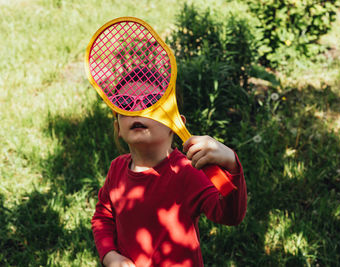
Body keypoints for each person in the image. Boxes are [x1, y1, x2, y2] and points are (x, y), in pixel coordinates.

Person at [91, 69, 247, 267]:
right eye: (124, 104)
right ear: (118, 128)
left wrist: (231, 164)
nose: (137, 109)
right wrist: (110, 256)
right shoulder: (117, 169)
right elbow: (103, 217)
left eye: (151, 103)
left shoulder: (187, 172)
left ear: (174, 123)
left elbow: (230, 215)